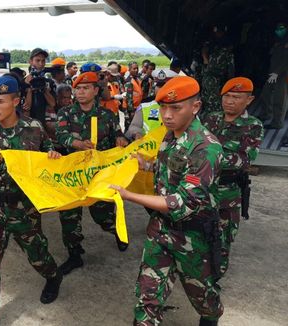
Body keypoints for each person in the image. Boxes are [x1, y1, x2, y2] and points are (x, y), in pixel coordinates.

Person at [110, 76, 224, 326]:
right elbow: (169, 169)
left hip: (192, 237)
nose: (167, 115)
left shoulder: (206, 148)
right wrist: (147, 164)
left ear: (195, 107)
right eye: (163, 107)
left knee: (202, 297)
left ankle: (210, 317)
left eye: (175, 107)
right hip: (160, 230)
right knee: (147, 298)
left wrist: (129, 196)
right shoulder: (170, 137)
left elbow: (184, 202)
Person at [0, 75, 63, 326]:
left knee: (37, 254)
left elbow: (49, 156)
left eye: (0, 101)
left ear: (16, 100)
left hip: (25, 208)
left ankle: (53, 277)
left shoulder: (35, 127)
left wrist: (53, 156)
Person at [55, 72, 129, 275]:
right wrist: (78, 144)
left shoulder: (107, 115)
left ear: (96, 91)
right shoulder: (66, 113)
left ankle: (117, 232)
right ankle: (74, 253)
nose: (80, 92)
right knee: (69, 215)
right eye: (77, 89)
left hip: (99, 174)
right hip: (74, 174)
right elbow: (61, 136)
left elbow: (118, 134)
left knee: (102, 214)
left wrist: (121, 140)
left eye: (85, 88)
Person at [203, 77, 263, 276]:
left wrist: (206, 158)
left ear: (249, 100)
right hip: (202, 189)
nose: (229, 101)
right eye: (226, 96)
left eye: (236, 97)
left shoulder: (253, 126)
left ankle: (216, 276)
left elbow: (244, 160)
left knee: (222, 237)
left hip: (227, 194)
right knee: (198, 232)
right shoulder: (210, 119)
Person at [126, 69, 178, 140]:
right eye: (159, 85)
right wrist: (137, 133)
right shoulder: (144, 107)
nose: (161, 89)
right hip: (148, 148)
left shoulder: (180, 107)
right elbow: (134, 126)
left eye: (165, 86)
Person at [257, 22, 288, 129]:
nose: (278, 31)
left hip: (283, 73)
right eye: (277, 29)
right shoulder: (279, 40)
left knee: (280, 98)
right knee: (265, 94)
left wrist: (277, 72)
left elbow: (286, 60)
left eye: (281, 28)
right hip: (273, 72)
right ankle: (265, 115)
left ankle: (277, 122)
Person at [199, 24, 235, 117]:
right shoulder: (215, 47)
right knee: (210, 103)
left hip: (213, 79)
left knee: (211, 103)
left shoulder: (221, 49)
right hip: (211, 79)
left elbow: (230, 70)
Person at [23, 48, 56, 125]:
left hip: (45, 121)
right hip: (28, 122)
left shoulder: (49, 82)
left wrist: (44, 89)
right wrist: (29, 88)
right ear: (30, 62)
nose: (41, 64)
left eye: (43, 61)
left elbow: (53, 104)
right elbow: (26, 107)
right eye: (37, 60)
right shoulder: (22, 82)